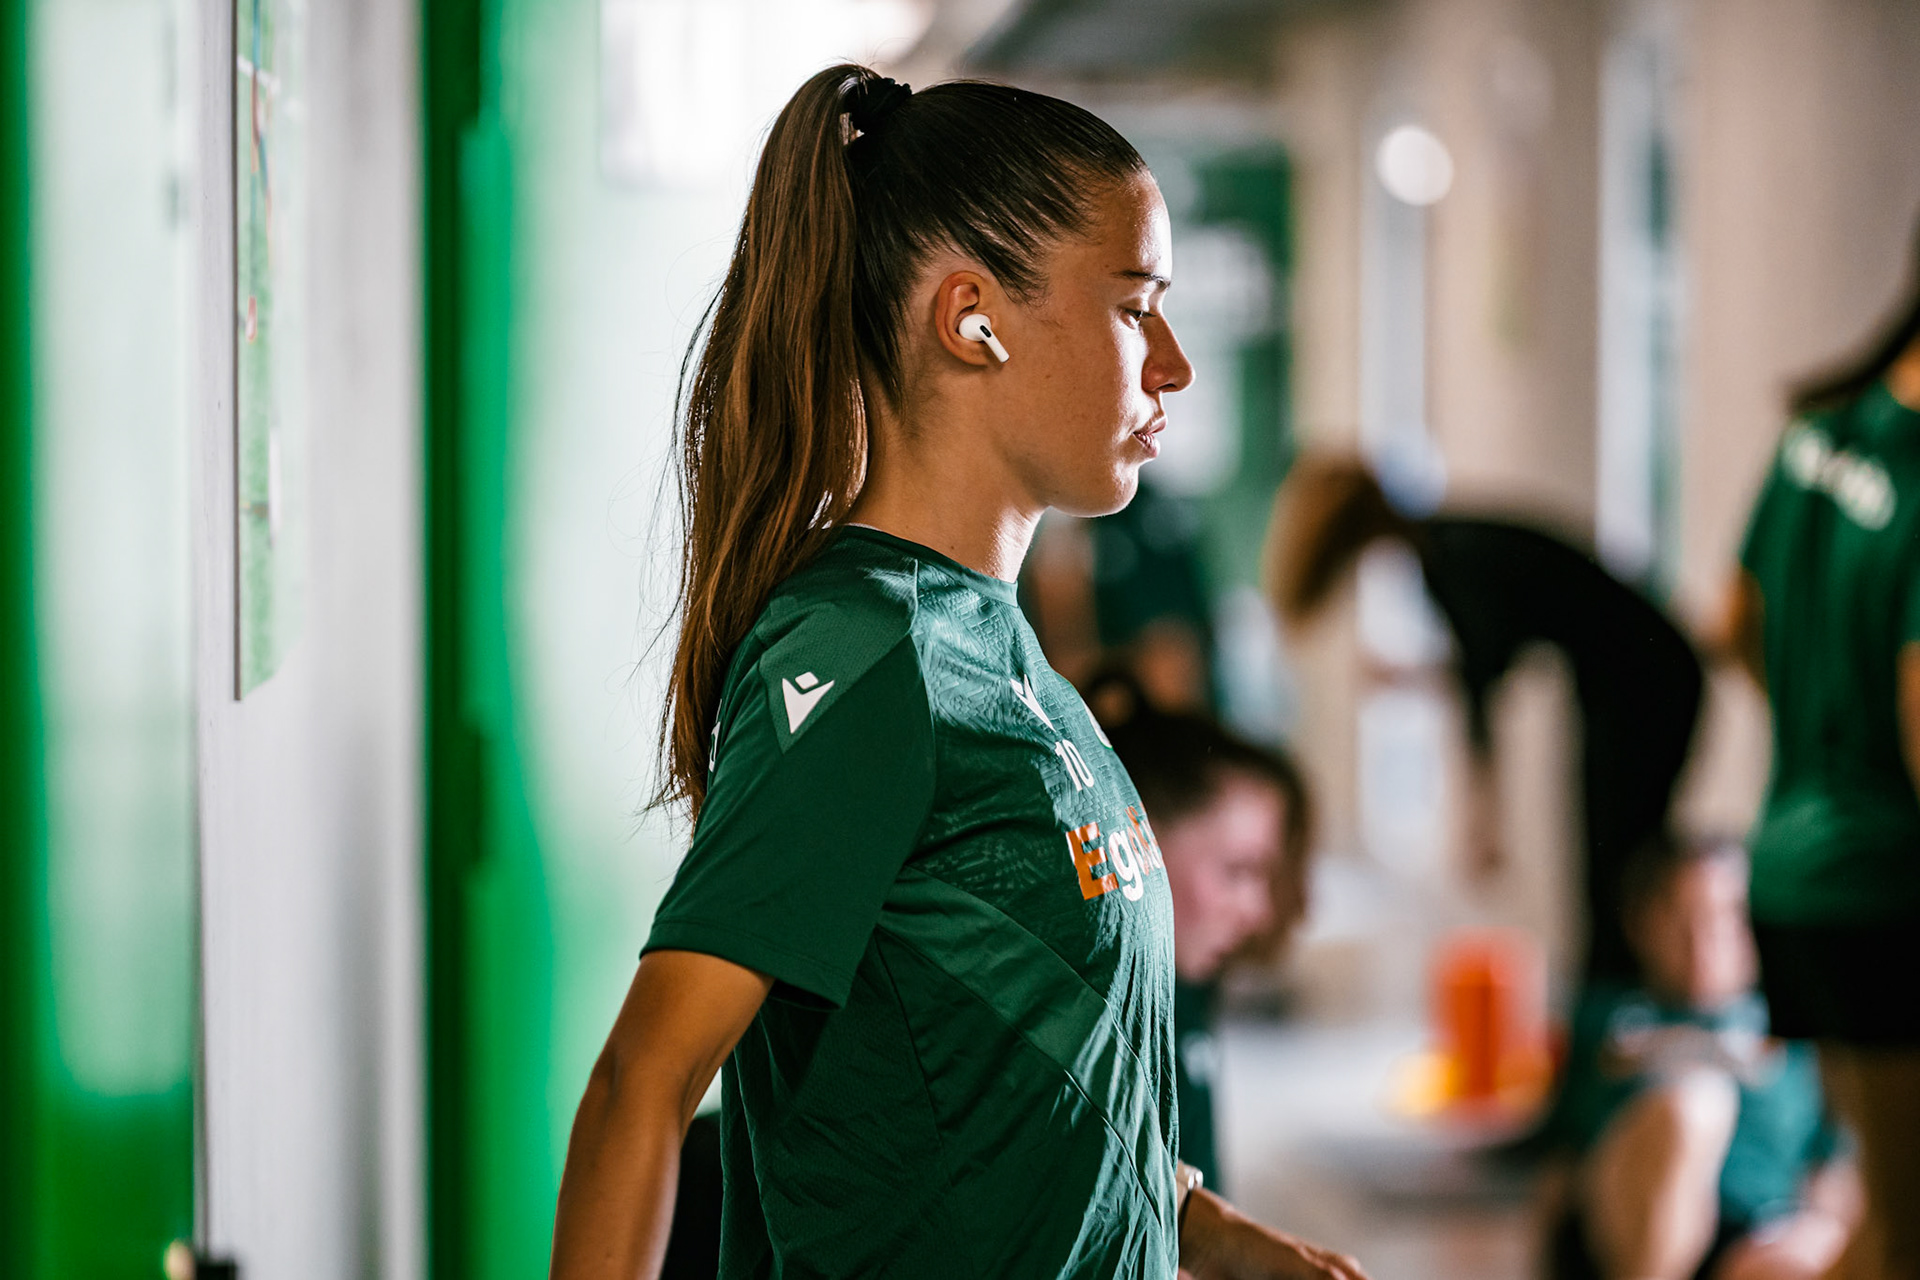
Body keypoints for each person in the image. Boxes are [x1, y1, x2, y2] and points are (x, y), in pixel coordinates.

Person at [548, 65, 1370, 1280]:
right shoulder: (866, 651)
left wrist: (1211, 1231)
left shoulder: (994, 639)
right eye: (1137, 306)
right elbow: (643, 1082)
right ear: (972, 316)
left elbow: (1033, 1083)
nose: (1177, 364)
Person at [1266, 454, 1704, 985]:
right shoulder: (1452, 544)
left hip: (1647, 681)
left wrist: (1482, 822)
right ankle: (1617, 994)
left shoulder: (1450, 559)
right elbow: (1489, 659)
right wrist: (1414, 677)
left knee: (1617, 864)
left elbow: (1482, 697)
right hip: (1634, 677)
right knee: (1614, 860)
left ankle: (1618, 1001)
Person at [1717, 215, 1920, 1280]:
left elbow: (1734, 622)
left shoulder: (1820, 435)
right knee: (1902, 1232)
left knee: (1883, 1219)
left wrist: (1825, 741)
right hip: (1888, 888)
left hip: (1795, 866)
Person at [1543, 835, 1857, 1280]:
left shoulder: (1800, 1036)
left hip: (1754, 1236)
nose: (1702, 940)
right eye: (1679, 917)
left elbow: (1833, 1169)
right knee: (1695, 1105)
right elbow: (1558, 1170)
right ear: (1640, 923)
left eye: (1725, 917)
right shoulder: (1609, 1018)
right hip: (1627, 1228)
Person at [1090, 672, 1316, 1193]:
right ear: (1138, 842)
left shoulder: (1185, 991)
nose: (1257, 912)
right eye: (1237, 871)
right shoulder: (1101, 1023)